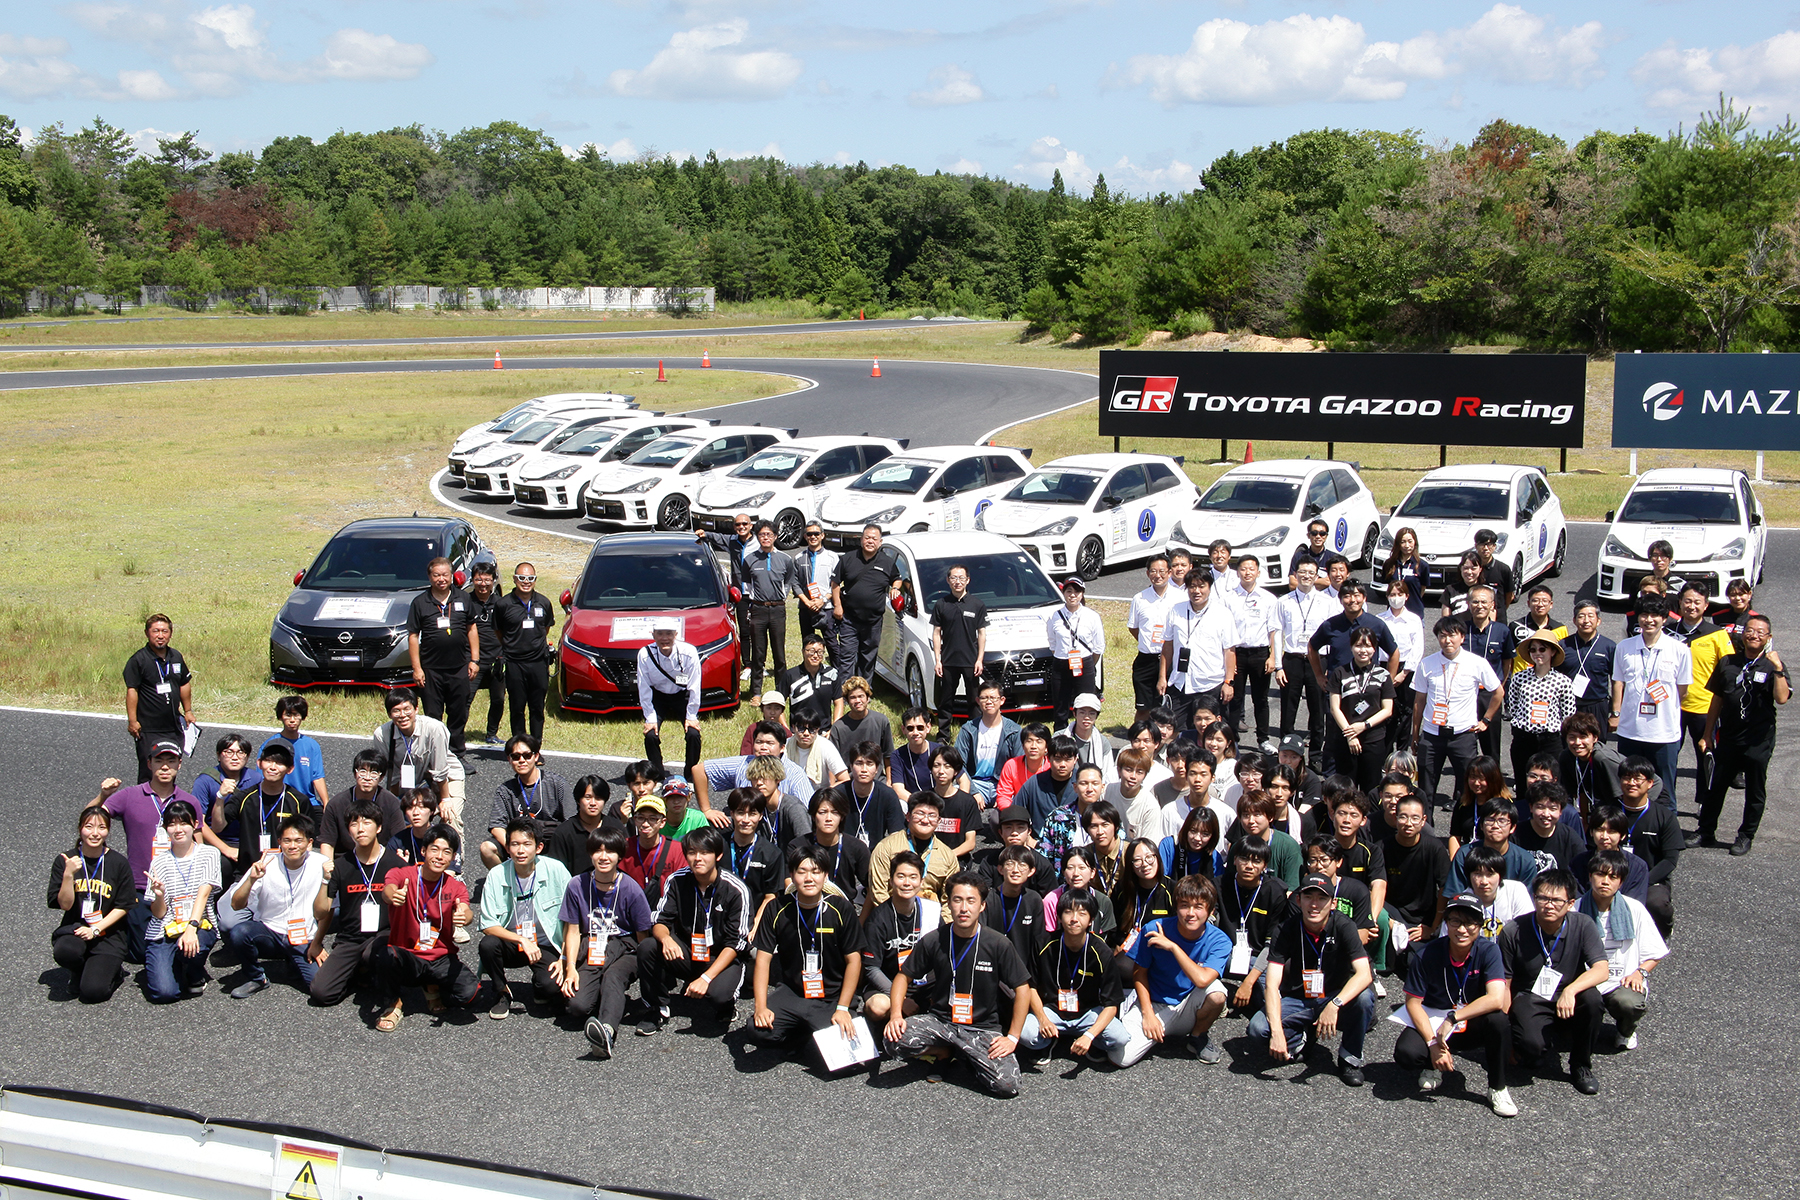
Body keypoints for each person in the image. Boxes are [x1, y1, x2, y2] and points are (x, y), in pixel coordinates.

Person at [884, 872, 1032, 1097]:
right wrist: (896, 1014)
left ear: (982, 906)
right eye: (957, 900)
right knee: (892, 1040)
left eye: (971, 901)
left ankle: (965, 1053)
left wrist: (1012, 1037)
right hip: (940, 1022)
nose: (964, 908)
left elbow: (1023, 988)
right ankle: (947, 1051)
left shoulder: (998, 944)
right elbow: (903, 976)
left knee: (1008, 1086)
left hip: (981, 1027)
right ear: (948, 904)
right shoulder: (934, 939)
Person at [1394, 891, 1516, 1117]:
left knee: (1499, 1020)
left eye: (1470, 923)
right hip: (1434, 1019)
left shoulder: (1489, 950)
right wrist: (1432, 1044)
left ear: (1480, 926)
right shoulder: (1427, 954)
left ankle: (1497, 1087)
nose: (1462, 929)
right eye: (1455, 921)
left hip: (1467, 1021)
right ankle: (1433, 1065)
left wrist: (1453, 1018)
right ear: (1446, 923)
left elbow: (1496, 998)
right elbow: (1412, 1003)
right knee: (1406, 1053)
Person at [1252, 873, 1376, 1086]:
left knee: (1364, 998)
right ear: (1299, 900)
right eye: (1309, 897)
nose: (1315, 905)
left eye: (1322, 898)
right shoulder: (1285, 929)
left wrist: (1334, 1005)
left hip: (1336, 996)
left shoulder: (1344, 926)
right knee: (1258, 1028)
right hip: (1300, 998)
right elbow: (1271, 984)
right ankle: (1301, 1041)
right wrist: (1277, 1032)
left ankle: (1350, 1059)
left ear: (1333, 903)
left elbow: (1364, 974)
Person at [1499, 868, 1610, 1095]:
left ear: (1570, 903)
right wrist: (1507, 1037)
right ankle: (1535, 1044)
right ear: (1534, 898)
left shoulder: (1583, 924)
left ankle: (1581, 1065)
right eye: (1543, 898)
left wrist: (1571, 990)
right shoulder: (1513, 931)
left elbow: (1601, 969)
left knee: (1592, 1000)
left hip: (1569, 993)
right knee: (1531, 1052)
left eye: (1556, 900)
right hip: (1530, 996)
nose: (1549, 905)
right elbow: (1505, 985)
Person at [750, 846, 864, 1059]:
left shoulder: (841, 908)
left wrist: (843, 1007)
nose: (809, 878)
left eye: (816, 871)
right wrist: (761, 1006)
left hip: (832, 995)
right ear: (792, 875)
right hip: (793, 992)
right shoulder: (777, 908)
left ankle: (815, 1035)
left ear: (825, 876)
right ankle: (805, 1034)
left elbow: (854, 961)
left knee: (849, 1057)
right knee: (758, 1032)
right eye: (802, 872)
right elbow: (763, 961)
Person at [637, 827, 753, 1034]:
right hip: (689, 952)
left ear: (718, 855)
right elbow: (660, 920)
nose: (697, 858)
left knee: (719, 997)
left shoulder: (736, 890)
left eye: (704, 852)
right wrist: (666, 939)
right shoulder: (677, 880)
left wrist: (706, 978)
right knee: (648, 946)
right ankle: (657, 1008)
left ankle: (727, 1005)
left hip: (721, 956)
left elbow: (737, 942)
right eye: (691, 852)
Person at [1112, 874, 1231, 1066]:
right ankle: (1143, 1024)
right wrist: (1148, 1014)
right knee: (1120, 1058)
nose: (1190, 913)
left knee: (1218, 993)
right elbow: (1138, 973)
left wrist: (1174, 947)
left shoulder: (1220, 940)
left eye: (1198, 907)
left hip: (1189, 1004)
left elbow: (1202, 981)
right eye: (1184, 905)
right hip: (1155, 1004)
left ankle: (1197, 1036)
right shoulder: (1153, 928)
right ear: (1176, 907)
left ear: (1210, 911)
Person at [559, 826, 655, 1059]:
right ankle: (603, 995)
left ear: (620, 856)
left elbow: (643, 937)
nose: (604, 857)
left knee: (614, 975)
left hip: (626, 947)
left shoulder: (631, 888)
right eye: (598, 851)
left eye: (610, 852)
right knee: (577, 1007)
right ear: (590, 854)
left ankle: (606, 1032)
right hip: (593, 945)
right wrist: (569, 967)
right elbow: (571, 931)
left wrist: (645, 974)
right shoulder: (576, 885)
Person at [1697, 613, 1788, 855]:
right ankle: (1705, 831)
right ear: (1742, 633)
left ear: (1768, 637)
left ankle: (1745, 835)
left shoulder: (1771, 664)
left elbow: (1781, 698)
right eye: (1750, 630)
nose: (1754, 635)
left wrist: (1778, 669)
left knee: (1755, 790)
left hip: (1758, 740)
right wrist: (1707, 733)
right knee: (1716, 786)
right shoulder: (1728, 662)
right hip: (1728, 737)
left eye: (1760, 632)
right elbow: (1717, 699)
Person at [97, 741, 200, 956]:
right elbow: (89, 822)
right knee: (140, 953)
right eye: (159, 761)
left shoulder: (189, 801)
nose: (165, 767)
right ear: (149, 764)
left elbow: (198, 844)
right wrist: (103, 796)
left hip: (178, 887)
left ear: (179, 765)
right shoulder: (129, 796)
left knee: (177, 949)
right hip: (139, 885)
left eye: (170, 761)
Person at [373, 822, 476, 1029]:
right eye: (434, 849)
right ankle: (393, 1004)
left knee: (471, 995)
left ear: (453, 857)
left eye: (447, 852)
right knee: (384, 955)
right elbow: (388, 889)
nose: (440, 857)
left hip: (440, 956)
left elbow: (466, 909)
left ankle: (432, 986)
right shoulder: (402, 874)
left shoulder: (455, 887)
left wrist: (464, 916)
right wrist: (393, 895)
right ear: (423, 850)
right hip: (408, 955)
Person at [309, 799, 403, 1007]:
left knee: (378, 954)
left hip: (384, 936)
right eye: (353, 824)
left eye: (367, 822)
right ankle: (357, 972)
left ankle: (377, 975)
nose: (360, 829)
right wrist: (316, 942)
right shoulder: (340, 866)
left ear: (379, 827)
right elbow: (321, 912)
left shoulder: (396, 863)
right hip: (350, 938)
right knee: (321, 993)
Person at [476, 818, 573, 1018]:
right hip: (512, 941)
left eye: (527, 844)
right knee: (487, 944)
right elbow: (487, 924)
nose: (521, 850)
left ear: (538, 847)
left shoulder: (556, 870)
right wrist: (521, 940)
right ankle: (501, 991)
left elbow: (573, 918)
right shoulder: (496, 875)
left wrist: (564, 958)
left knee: (551, 987)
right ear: (507, 848)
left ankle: (539, 985)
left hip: (545, 943)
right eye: (515, 844)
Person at [223, 814, 327, 999]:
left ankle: (294, 961)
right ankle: (256, 977)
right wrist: (251, 879)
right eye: (287, 840)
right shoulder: (266, 864)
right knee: (240, 932)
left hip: (304, 935)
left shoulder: (321, 864)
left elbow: (328, 910)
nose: (292, 846)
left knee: (321, 991)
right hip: (270, 932)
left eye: (298, 840)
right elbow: (236, 904)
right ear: (279, 842)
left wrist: (318, 942)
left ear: (309, 843)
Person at [1018, 890, 1126, 1061]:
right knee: (1026, 1033)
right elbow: (1030, 986)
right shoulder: (1043, 944)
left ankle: (1087, 1042)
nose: (1074, 918)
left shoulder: (1102, 952)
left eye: (1082, 913)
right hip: (1052, 1011)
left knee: (1119, 1038)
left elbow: (1112, 1004)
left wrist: (1090, 1035)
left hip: (1088, 1013)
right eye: (1068, 912)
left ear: (1091, 920)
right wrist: (1042, 1018)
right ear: (1059, 918)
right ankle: (1050, 1040)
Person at [1413, 615, 1505, 815]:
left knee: (1467, 788)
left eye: (1452, 635)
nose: (1447, 640)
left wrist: (1486, 720)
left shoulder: (1476, 662)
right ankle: (1426, 835)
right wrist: (1415, 734)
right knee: (1425, 789)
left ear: (1462, 637)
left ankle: (1463, 832)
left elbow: (1498, 692)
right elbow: (1419, 701)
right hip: (1431, 734)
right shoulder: (1426, 664)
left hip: (1463, 734)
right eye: (1442, 636)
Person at [1581, 849, 1668, 1051]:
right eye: (1600, 874)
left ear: (1621, 882)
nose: (1605, 881)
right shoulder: (1575, 909)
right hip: (1586, 978)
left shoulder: (1634, 908)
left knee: (1629, 1003)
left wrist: (1640, 972)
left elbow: (1656, 952)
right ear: (1590, 876)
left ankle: (1626, 1030)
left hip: (1621, 979)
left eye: (1613, 877)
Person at [48, 806, 136, 1003]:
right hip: (76, 929)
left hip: (108, 935)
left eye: (101, 828)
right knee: (65, 952)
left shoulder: (118, 862)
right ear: (80, 828)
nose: (95, 833)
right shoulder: (66, 860)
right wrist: (68, 875)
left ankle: (114, 973)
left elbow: (124, 905)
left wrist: (95, 929)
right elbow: (65, 904)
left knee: (93, 993)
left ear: (108, 831)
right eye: (89, 827)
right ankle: (78, 971)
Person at [1613, 594, 1691, 807]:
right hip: (1631, 731)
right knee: (1629, 788)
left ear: (1664, 619)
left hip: (1664, 733)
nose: (1649, 620)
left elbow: (1682, 691)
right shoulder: (1624, 648)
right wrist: (1616, 713)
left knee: (1665, 792)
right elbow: (1618, 683)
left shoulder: (1680, 650)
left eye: (1655, 615)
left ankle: (1667, 836)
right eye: (1644, 615)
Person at [142, 801, 221, 1002]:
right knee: (165, 993)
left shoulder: (209, 853)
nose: (178, 829)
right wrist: (159, 895)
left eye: (183, 823)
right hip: (165, 928)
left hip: (198, 924)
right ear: (165, 829)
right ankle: (175, 963)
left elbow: (204, 894)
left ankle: (193, 970)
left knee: (195, 948)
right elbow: (158, 913)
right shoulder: (159, 861)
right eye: (171, 824)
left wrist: (191, 928)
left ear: (194, 824)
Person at [406, 556, 481, 758]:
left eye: (445, 574)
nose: (441, 579)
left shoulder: (463, 598)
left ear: (451, 576)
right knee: (433, 715)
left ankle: (456, 754)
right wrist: (417, 668)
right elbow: (413, 636)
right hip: (431, 669)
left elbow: (471, 628)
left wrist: (474, 659)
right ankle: (434, 755)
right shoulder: (420, 602)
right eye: (436, 575)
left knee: (458, 713)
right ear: (430, 577)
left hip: (459, 667)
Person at [374, 689, 465, 839]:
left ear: (416, 709)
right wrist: (394, 805)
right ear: (389, 714)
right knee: (401, 820)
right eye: (396, 711)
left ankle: (455, 860)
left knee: (450, 819)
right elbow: (392, 775)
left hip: (447, 778)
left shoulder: (434, 728)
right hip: (411, 782)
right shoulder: (382, 735)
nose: (402, 715)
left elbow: (440, 769)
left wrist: (445, 800)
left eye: (406, 709)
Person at [862, 852, 941, 1024]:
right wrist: (900, 999)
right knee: (878, 1006)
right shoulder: (877, 919)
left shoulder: (933, 911)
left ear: (921, 881)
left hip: (924, 984)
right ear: (891, 881)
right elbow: (871, 968)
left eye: (913, 877)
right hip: (888, 983)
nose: (907, 883)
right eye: (901, 876)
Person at [478, 735, 571, 869]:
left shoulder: (557, 784)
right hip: (518, 842)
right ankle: (510, 883)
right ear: (509, 759)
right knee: (487, 848)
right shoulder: (505, 790)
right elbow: (496, 826)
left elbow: (571, 820)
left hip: (551, 841)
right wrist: (514, 848)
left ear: (536, 756)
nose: (522, 760)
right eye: (516, 757)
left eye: (527, 755)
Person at [1160, 572, 1237, 733]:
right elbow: (1167, 646)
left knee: (1210, 732)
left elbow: (1229, 651)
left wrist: (1228, 682)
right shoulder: (1176, 610)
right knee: (1173, 731)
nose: (1197, 591)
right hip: (1181, 682)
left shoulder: (1223, 613)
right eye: (1192, 586)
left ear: (1210, 588)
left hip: (1210, 683)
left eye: (1201, 586)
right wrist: (1162, 677)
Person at [1380, 788, 1450, 961]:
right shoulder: (1382, 848)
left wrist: (1433, 926)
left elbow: (1445, 887)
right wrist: (1388, 922)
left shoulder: (1435, 848)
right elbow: (1373, 887)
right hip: (1393, 915)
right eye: (1403, 816)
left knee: (1421, 961)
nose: (1408, 823)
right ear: (1395, 818)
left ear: (1423, 820)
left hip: (1424, 917)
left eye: (1415, 818)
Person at [123, 613, 193, 784]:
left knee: (170, 770)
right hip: (149, 728)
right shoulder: (138, 660)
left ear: (171, 633)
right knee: (149, 771)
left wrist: (188, 711)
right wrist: (133, 720)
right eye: (156, 631)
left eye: (164, 631)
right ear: (147, 633)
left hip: (173, 726)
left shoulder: (175, 657)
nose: (160, 635)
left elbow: (184, 683)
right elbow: (132, 690)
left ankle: (167, 805)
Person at [1276, 560, 1331, 772]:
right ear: (1295, 575)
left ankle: (1316, 754)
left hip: (1318, 660)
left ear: (1317, 575)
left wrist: (1329, 665)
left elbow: (1331, 636)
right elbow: (1277, 632)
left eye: (1311, 572)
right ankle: (1286, 753)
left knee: (1318, 710)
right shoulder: (1284, 601)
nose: (1306, 576)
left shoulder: (1326, 602)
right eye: (1302, 572)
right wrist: (1279, 666)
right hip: (1293, 658)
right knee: (1288, 709)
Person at [1615, 757, 1679, 936]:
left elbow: (1670, 860)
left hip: (1651, 879)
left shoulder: (1664, 816)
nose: (1631, 783)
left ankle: (1663, 932)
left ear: (1650, 783)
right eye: (1627, 778)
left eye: (1638, 779)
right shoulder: (1609, 811)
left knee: (1656, 904)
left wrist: (1642, 882)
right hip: (1609, 874)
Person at [831, 524, 903, 680]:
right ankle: (844, 693)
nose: (870, 541)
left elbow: (897, 578)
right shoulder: (848, 558)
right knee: (847, 657)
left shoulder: (887, 562)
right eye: (867, 537)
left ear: (880, 542)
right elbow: (835, 583)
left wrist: (895, 588)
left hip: (873, 621)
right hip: (849, 619)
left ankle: (864, 690)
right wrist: (837, 606)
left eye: (874, 538)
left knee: (868, 658)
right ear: (861, 539)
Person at [1327, 627, 1395, 792]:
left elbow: (1388, 709)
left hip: (1373, 739)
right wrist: (1350, 734)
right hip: (1345, 739)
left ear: (1374, 648)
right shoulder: (1340, 673)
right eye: (1358, 645)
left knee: (1371, 787)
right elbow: (1335, 707)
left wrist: (1364, 725)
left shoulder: (1383, 675)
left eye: (1368, 646)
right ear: (1351, 646)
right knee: (1345, 789)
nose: (1363, 651)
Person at [1505, 631, 1577, 787]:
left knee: (1551, 784)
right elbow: (1514, 705)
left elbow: (1568, 714)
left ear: (1553, 652)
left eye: (1542, 649)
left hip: (1550, 739)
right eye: (1533, 649)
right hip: (1524, 738)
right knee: (1523, 783)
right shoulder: (1519, 677)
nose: (1538, 653)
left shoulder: (1563, 681)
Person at [1225, 555, 1281, 750]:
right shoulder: (1229, 598)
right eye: (1243, 569)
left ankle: (1263, 740)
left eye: (1251, 569)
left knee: (1261, 699)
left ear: (1258, 572)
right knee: (1235, 698)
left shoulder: (1268, 599)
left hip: (1260, 654)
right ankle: (1233, 742)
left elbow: (1273, 630)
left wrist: (1273, 657)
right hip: (1236, 654)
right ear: (1237, 572)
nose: (1247, 572)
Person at [866, 794, 957, 913]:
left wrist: (940, 927)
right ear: (908, 816)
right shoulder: (886, 847)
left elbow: (949, 900)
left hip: (931, 920)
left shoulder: (947, 856)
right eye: (920, 813)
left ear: (939, 821)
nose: (925, 820)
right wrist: (894, 919)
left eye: (932, 815)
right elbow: (878, 891)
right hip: (892, 915)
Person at [638, 616, 703, 779]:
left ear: (676, 635)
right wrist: (650, 717)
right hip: (658, 696)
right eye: (660, 634)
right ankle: (657, 774)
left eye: (668, 633)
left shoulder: (689, 652)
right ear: (653, 635)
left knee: (693, 734)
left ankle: (690, 775)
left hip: (682, 696)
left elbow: (694, 685)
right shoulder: (644, 654)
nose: (664, 638)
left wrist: (692, 715)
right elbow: (643, 687)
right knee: (651, 734)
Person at [929, 562, 988, 736]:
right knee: (946, 700)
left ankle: (974, 734)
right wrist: (938, 660)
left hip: (970, 661)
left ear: (968, 580)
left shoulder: (977, 604)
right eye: (954, 577)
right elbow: (936, 633)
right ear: (948, 580)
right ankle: (943, 735)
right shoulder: (941, 604)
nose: (957, 581)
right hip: (948, 661)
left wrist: (979, 659)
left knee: (974, 700)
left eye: (961, 578)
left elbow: (982, 634)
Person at [318, 749, 404, 865]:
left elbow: (399, 840)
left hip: (379, 861)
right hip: (346, 861)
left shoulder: (392, 803)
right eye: (362, 772)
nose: (367, 778)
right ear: (355, 773)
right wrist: (327, 870)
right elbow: (327, 842)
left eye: (374, 773)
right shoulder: (336, 804)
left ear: (382, 777)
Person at [1045, 576, 1105, 727]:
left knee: (1085, 704)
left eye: (1077, 592)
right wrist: (1063, 656)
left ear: (1082, 594)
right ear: (1063, 593)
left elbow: (1098, 646)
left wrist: (1089, 663)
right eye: (1069, 591)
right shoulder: (1055, 616)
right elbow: (1052, 642)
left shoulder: (1092, 616)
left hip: (1084, 663)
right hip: (1061, 663)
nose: (1073, 595)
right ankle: (1060, 739)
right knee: (1060, 705)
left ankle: (1085, 735)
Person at [1128, 554, 1179, 723]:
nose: (1158, 575)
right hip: (1146, 660)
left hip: (1171, 658)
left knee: (1169, 708)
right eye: (1153, 571)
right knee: (1143, 708)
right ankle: (1138, 742)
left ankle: (1166, 745)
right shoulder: (1139, 598)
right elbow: (1133, 627)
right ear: (1147, 573)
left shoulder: (1180, 598)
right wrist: (1146, 641)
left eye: (1162, 571)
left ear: (1170, 572)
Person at [1378, 579, 1425, 753]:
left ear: (1406, 596)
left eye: (1399, 594)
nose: (1395, 598)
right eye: (1392, 594)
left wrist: (1404, 673)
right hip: (1384, 667)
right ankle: (1386, 751)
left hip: (1407, 669)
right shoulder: (1380, 619)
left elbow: (1418, 648)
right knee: (1386, 710)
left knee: (1406, 711)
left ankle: (1403, 753)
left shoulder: (1414, 620)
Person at [1559, 600, 1616, 738]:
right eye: (1581, 616)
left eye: (1591, 616)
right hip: (1568, 705)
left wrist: (1615, 713)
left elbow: (1616, 681)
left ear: (1598, 620)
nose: (1586, 620)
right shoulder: (1563, 645)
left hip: (1597, 705)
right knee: (1568, 746)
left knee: (1597, 748)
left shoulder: (1609, 646)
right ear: (1574, 620)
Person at [264, 696, 330, 811]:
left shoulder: (312, 745)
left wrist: (326, 803)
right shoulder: (271, 745)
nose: (292, 720)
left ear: (302, 717)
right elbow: (263, 777)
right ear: (280, 717)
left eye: (296, 715)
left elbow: (317, 777)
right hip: (280, 801)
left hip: (308, 802)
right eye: (288, 715)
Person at [621, 795, 688, 905]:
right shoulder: (623, 847)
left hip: (665, 913)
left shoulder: (678, 850)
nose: (645, 824)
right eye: (641, 818)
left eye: (653, 819)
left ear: (662, 822)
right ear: (634, 820)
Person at [467, 561, 506, 744]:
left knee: (498, 699)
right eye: (478, 580)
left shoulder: (501, 603)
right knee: (466, 698)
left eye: (487, 580)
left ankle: (491, 733)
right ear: (473, 580)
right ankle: (456, 733)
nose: (483, 584)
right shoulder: (465, 602)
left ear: (493, 580)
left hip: (497, 659)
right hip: (473, 660)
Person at [793, 522, 840, 665]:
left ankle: (837, 672)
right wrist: (807, 602)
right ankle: (809, 669)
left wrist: (823, 600)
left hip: (826, 607)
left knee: (831, 642)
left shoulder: (832, 557)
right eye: (809, 534)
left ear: (822, 535)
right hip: (806, 607)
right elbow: (795, 583)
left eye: (816, 534)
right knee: (807, 642)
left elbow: (836, 582)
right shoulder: (798, 557)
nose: (813, 537)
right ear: (805, 536)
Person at [1515, 781, 1586, 874]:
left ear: (1561, 811)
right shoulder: (1516, 834)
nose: (1546, 814)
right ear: (1531, 807)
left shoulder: (1569, 837)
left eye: (1553, 809)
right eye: (1540, 807)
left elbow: (1583, 869)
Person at [830, 678, 894, 776]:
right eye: (853, 697)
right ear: (847, 700)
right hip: (849, 780)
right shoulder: (838, 727)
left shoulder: (881, 721)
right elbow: (832, 761)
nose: (857, 701)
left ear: (868, 698)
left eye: (861, 696)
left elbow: (888, 754)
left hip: (877, 779)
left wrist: (889, 781)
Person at [781, 635, 843, 731]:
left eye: (820, 652)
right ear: (803, 651)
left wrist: (834, 729)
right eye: (811, 651)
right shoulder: (790, 675)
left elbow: (839, 702)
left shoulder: (832, 674)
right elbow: (778, 704)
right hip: (798, 732)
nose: (815, 656)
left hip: (824, 731)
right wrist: (787, 731)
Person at [1059, 695, 1118, 786]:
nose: (1087, 717)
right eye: (1082, 713)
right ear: (1075, 713)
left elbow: (1108, 776)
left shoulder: (1103, 743)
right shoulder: (1059, 737)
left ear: (1096, 716)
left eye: (1091, 713)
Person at [890, 707, 939, 799]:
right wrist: (921, 805)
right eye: (910, 728)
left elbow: (963, 779)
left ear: (928, 728)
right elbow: (898, 789)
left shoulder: (940, 751)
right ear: (903, 729)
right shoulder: (897, 755)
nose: (915, 732)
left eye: (920, 728)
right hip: (912, 802)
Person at [1381, 526, 1429, 619]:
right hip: (1393, 613)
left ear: (1415, 542)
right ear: (1398, 544)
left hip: (1414, 611)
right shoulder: (1389, 564)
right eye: (1403, 542)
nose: (1407, 545)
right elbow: (1387, 586)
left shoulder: (1422, 565)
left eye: (1410, 541)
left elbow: (1422, 589)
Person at [1470, 529, 1516, 620]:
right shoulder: (1470, 568)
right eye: (1482, 544)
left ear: (1494, 546)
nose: (1486, 548)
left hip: (1497, 618)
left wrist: (1500, 610)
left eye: (1489, 544)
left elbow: (1509, 595)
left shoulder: (1503, 569)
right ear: (1476, 546)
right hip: (1474, 617)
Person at [1288, 519, 1346, 588]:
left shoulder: (1334, 558)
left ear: (1326, 536)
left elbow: (1333, 582)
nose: (1318, 536)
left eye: (1322, 534)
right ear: (1308, 535)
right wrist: (1320, 582)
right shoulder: (1299, 556)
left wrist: (1303, 582)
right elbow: (1292, 585)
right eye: (1314, 533)